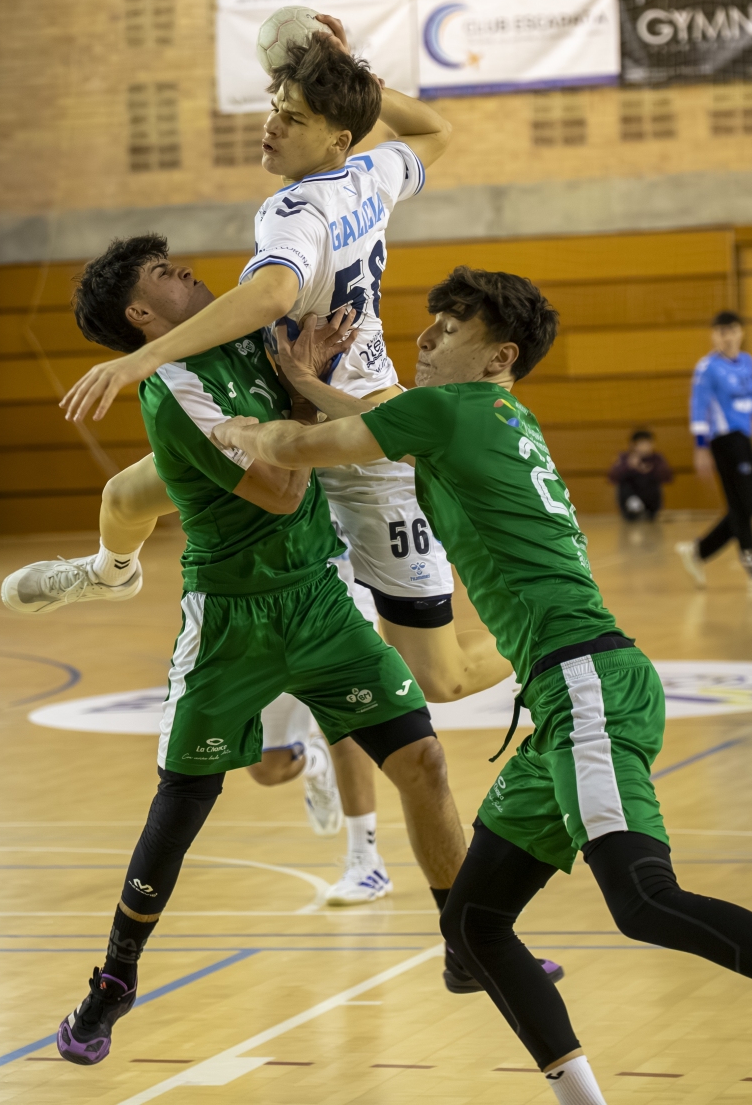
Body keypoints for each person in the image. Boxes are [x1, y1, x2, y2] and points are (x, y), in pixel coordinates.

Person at [212, 266, 752, 1105]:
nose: (426, 336)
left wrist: (229, 425)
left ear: (500, 355)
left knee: (643, 900)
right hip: (570, 691)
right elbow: (374, 423)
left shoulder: (446, 413)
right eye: (432, 320)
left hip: (586, 685)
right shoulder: (491, 414)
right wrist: (306, 383)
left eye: (451, 326)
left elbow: (296, 448)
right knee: (475, 924)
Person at [52, 243, 558, 1070]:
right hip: (233, 618)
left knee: (424, 759)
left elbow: (311, 359)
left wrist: (322, 368)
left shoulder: (242, 335)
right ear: (141, 317)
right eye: (164, 276)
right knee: (184, 805)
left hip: (319, 597)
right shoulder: (174, 386)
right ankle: (115, 978)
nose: (186, 271)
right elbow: (285, 489)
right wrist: (299, 388)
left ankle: (467, 944)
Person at [677, 310, 752, 592]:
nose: (727, 337)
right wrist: (700, 447)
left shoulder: (747, 362)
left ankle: (698, 551)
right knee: (742, 508)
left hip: (744, 439)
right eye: (721, 332)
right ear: (714, 336)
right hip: (724, 441)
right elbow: (698, 407)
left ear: (741, 333)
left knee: (747, 507)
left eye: (732, 331)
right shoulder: (707, 368)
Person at [607, 428, 672, 521]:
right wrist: (629, 466)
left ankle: (648, 509)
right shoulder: (625, 458)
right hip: (630, 501)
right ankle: (633, 506)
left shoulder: (657, 459)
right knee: (625, 483)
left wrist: (651, 470)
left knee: (651, 482)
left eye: (648, 443)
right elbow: (612, 478)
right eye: (642, 444)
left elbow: (668, 477)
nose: (645, 447)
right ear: (633, 445)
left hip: (651, 500)